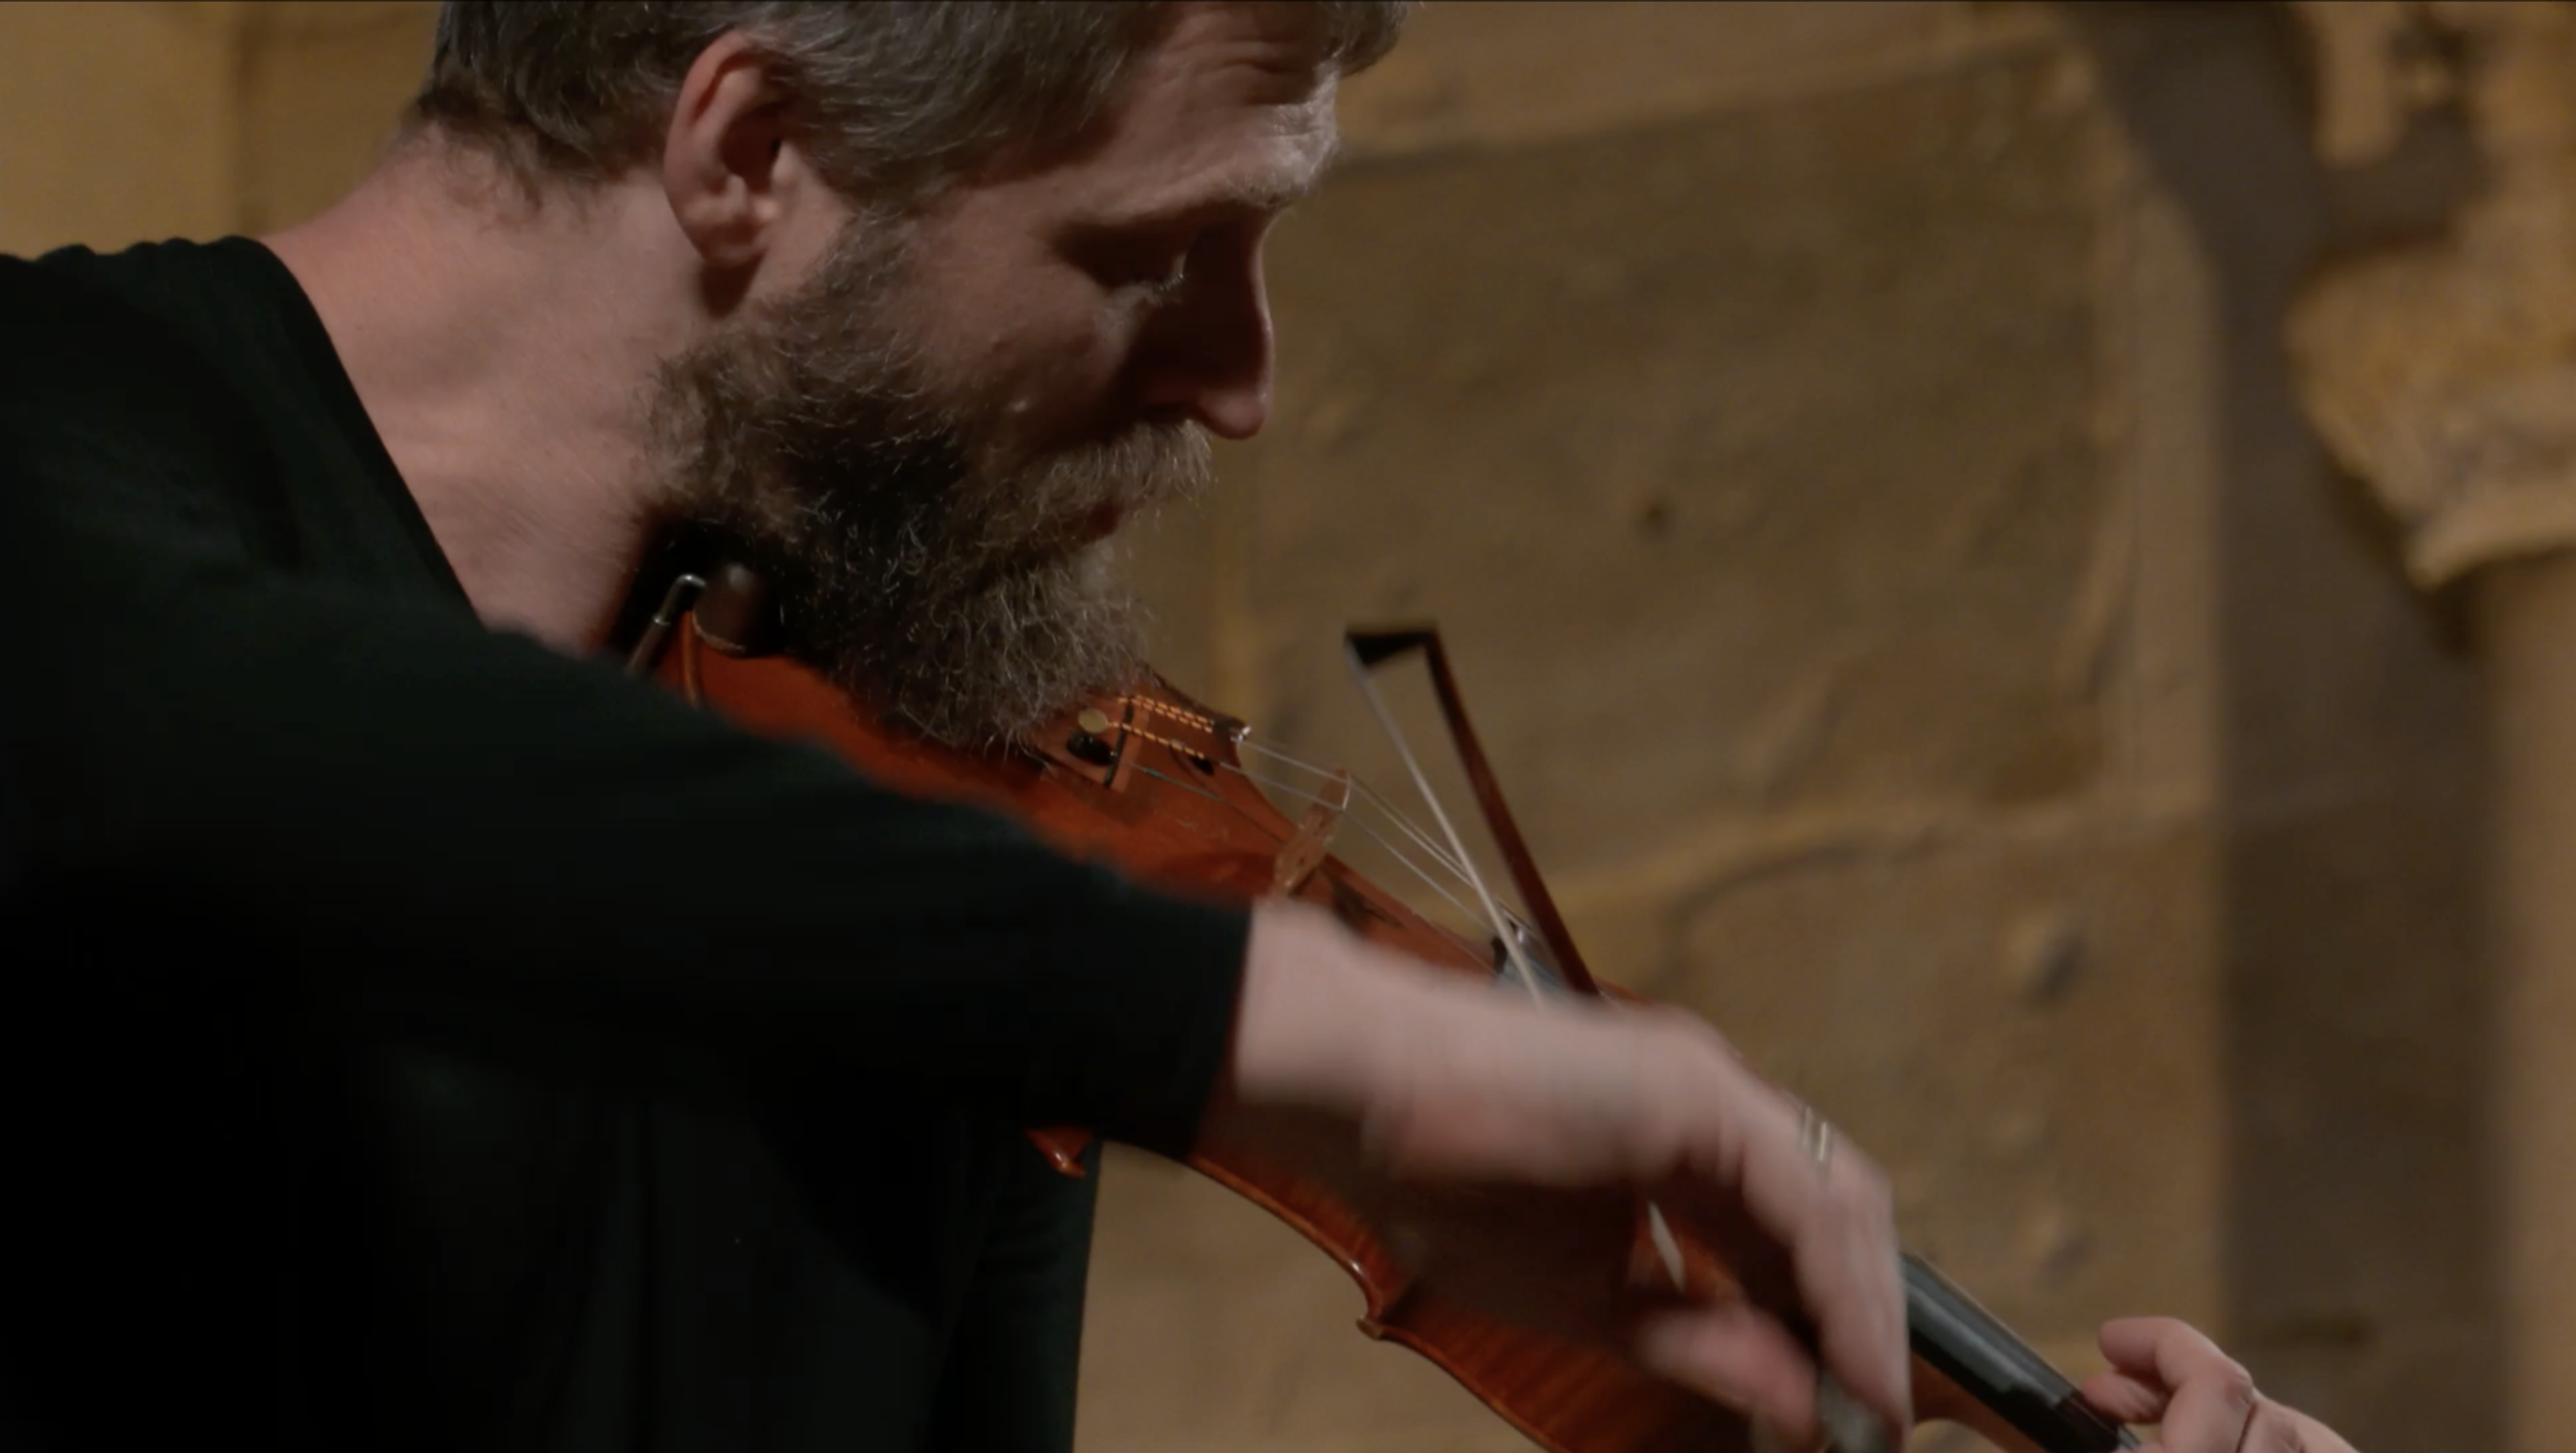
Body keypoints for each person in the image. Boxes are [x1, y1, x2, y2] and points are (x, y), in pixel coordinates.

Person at [0, 3, 2354, 1450]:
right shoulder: (63, 456)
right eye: (1155, 254)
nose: (1245, 384)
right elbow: (210, 739)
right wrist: (1287, 1020)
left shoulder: (901, 796)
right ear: (746, 150)